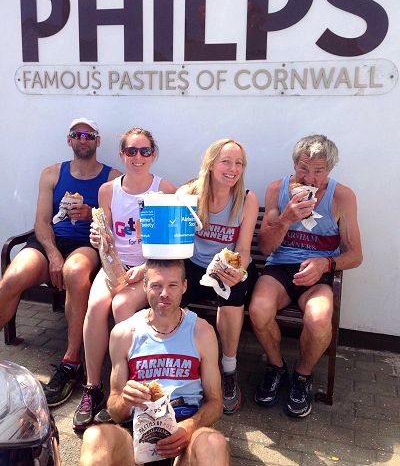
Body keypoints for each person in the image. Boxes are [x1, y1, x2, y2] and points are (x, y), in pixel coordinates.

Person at [0, 117, 120, 406]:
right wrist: (52, 254)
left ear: (97, 141)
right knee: (13, 276)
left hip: (86, 243)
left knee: (75, 272)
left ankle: (71, 361)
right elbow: (41, 222)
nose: (83, 139)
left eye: (89, 135)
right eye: (77, 134)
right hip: (49, 242)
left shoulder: (112, 177)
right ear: (69, 140)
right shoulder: (52, 173)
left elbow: (117, 225)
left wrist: (92, 212)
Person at [249, 134, 362, 418]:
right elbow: (264, 246)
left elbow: (355, 255)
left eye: (318, 170)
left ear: (330, 170)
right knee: (258, 310)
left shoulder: (342, 196)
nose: (309, 177)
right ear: (294, 164)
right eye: (303, 168)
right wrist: (286, 218)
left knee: (320, 318)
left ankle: (302, 375)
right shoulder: (277, 189)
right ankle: (276, 367)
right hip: (280, 269)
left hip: (319, 273)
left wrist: (325, 264)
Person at [79, 258, 230, 466]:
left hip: (185, 431)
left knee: (213, 442)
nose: (164, 293)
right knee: (95, 437)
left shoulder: (202, 332)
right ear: (144, 286)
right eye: (156, 286)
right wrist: (125, 399)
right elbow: (114, 409)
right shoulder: (124, 333)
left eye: (172, 286)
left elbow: (216, 403)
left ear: (184, 286)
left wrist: (190, 427)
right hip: (137, 430)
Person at [73, 127, 176, 431]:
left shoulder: (164, 190)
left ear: (153, 154)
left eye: (144, 151)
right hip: (114, 266)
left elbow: (168, 245)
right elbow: (104, 235)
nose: (138, 157)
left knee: (121, 308)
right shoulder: (108, 190)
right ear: (122, 155)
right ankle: (92, 388)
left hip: (148, 268)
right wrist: (97, 238)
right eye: (131, 151)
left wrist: (144, 270)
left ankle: (129, 392)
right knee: (94, 309)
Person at [177, 139, 259, 414]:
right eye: (226, 161)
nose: (232, 169)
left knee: (233, 295)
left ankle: (229, 369)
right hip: (195, 265)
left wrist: (239, 271)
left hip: (227, 265)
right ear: (211, 164)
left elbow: (245, 249)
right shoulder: (189, 193)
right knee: (173, 293)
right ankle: (180, 362)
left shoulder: (246, 198)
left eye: (238, 163)